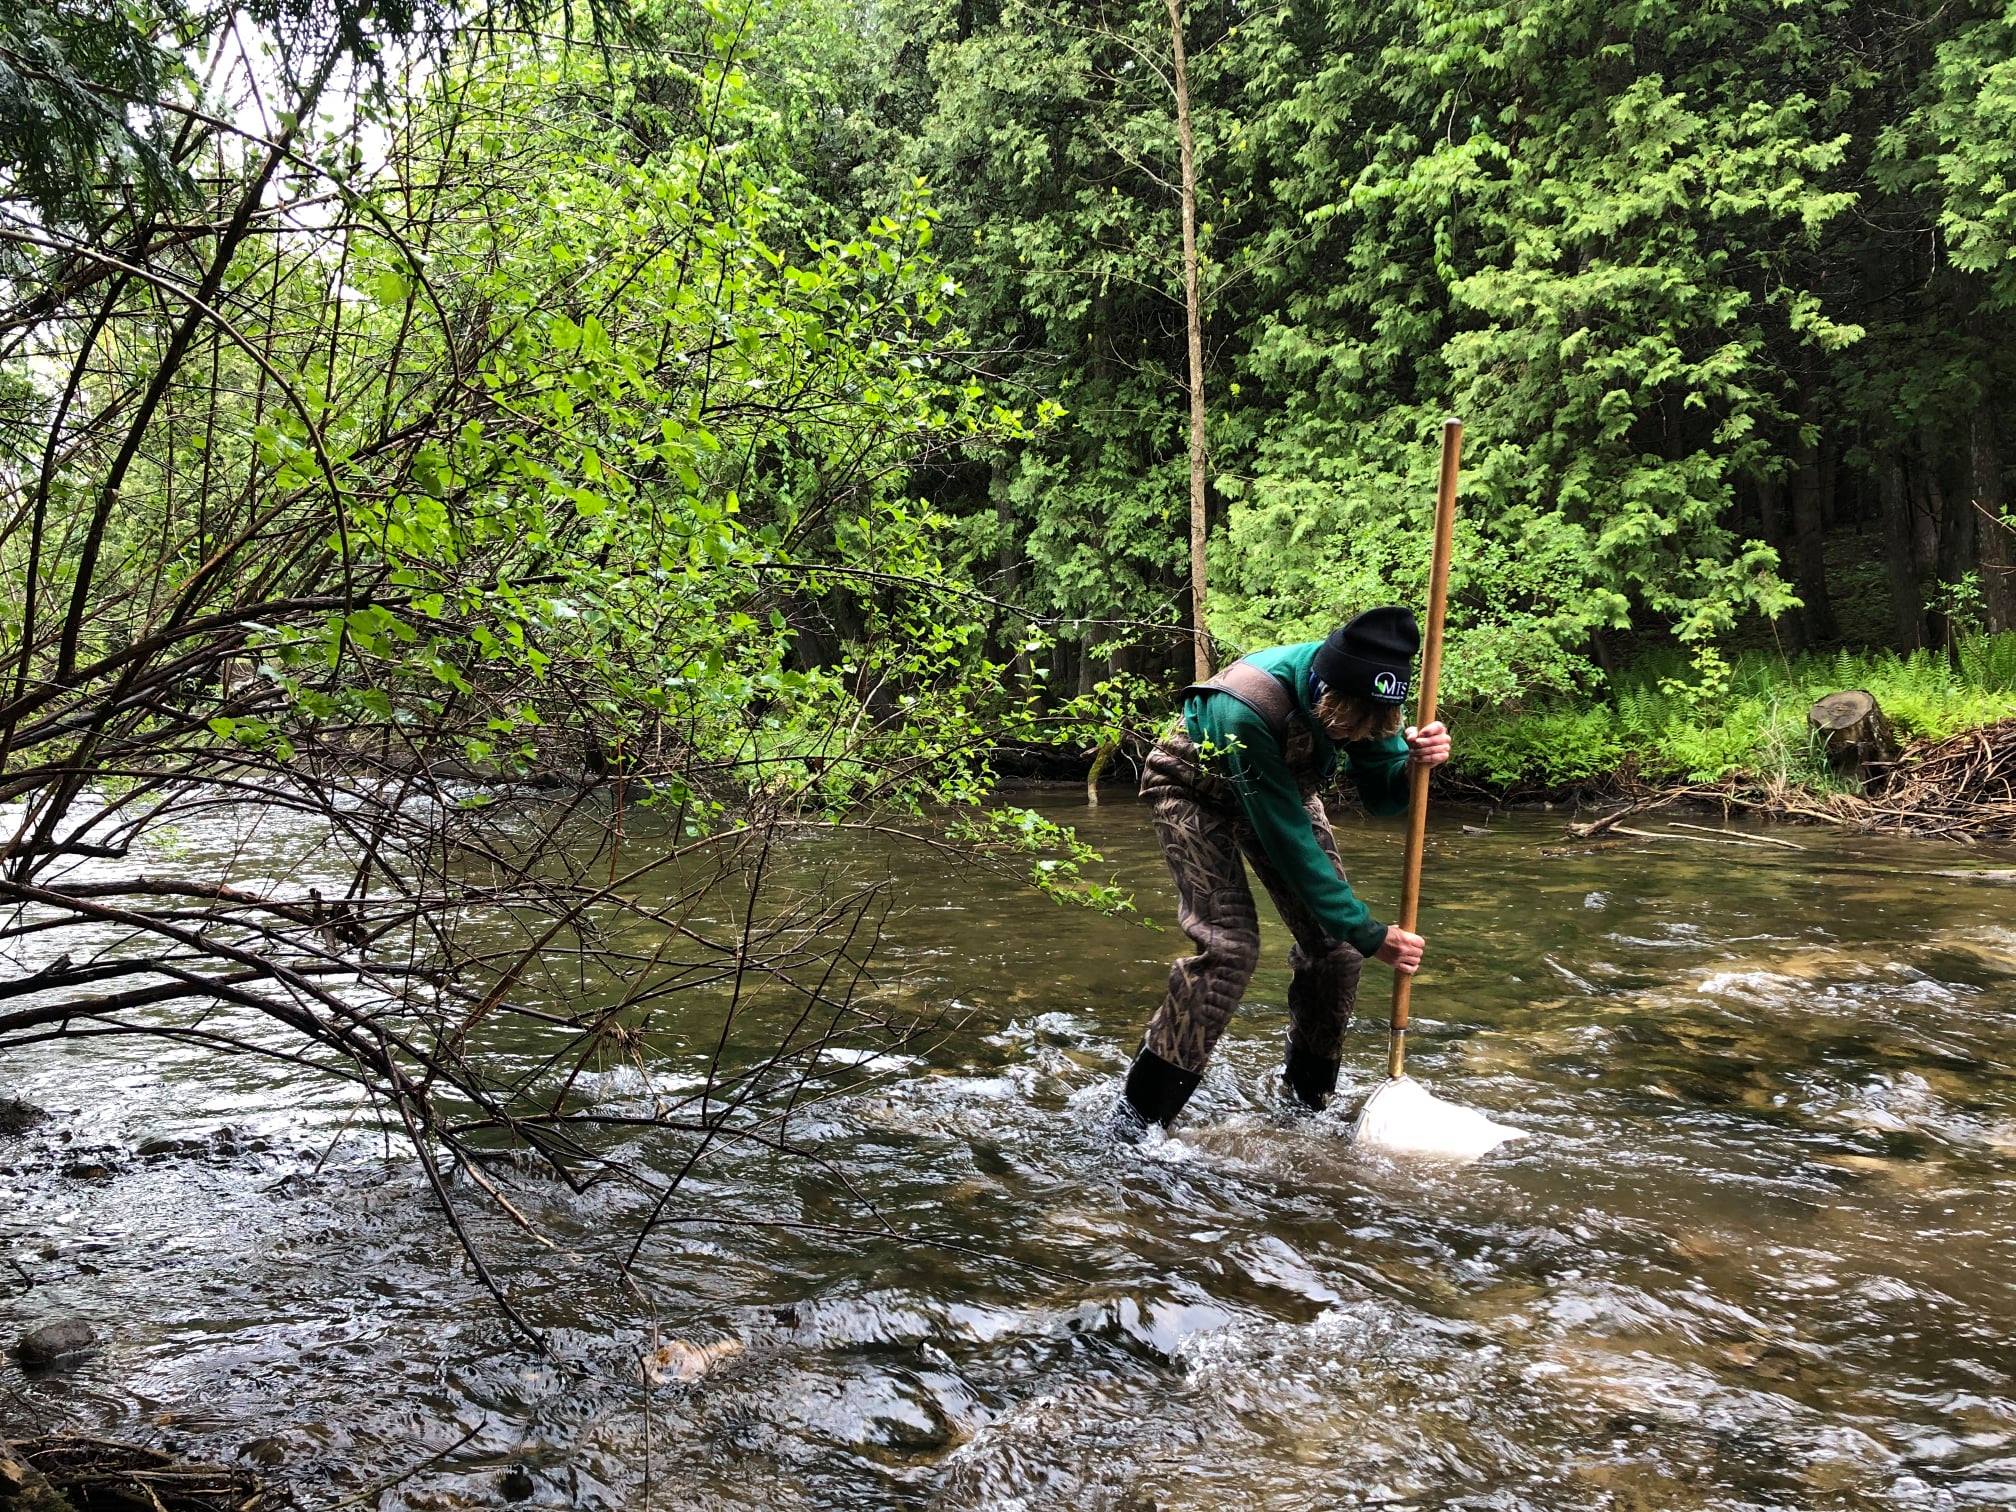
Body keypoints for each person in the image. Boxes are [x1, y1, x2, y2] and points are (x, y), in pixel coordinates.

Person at [1117, 608, 1453, 1132]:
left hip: (1284, 793)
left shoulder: (1373, 693)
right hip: (1192, 790)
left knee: (1336, 954)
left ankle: (1304, 1106)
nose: (1365, 728)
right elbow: (1285, 838)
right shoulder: (1246, 706)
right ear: (1326, 690)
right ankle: (1138, 1122)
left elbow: (1383, 801)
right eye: (1354, 719)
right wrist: (1368, 930)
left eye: (1377, 720)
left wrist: (1413, 765)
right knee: (1229, 951)